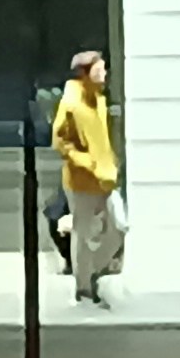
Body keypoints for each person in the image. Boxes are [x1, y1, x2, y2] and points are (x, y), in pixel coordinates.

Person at [51, 51, 124, 306]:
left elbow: (103, 139)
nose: (104, 73)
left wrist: (111, 163)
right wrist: (88, 163)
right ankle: (84, 286)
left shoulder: (99, 101)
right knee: (83, 234)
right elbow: (60, 142)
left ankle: (92, 271)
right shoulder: (71, 102)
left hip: (105, 177)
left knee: (118, 227)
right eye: (99, 69)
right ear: (85, 72)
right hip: (81, 180)